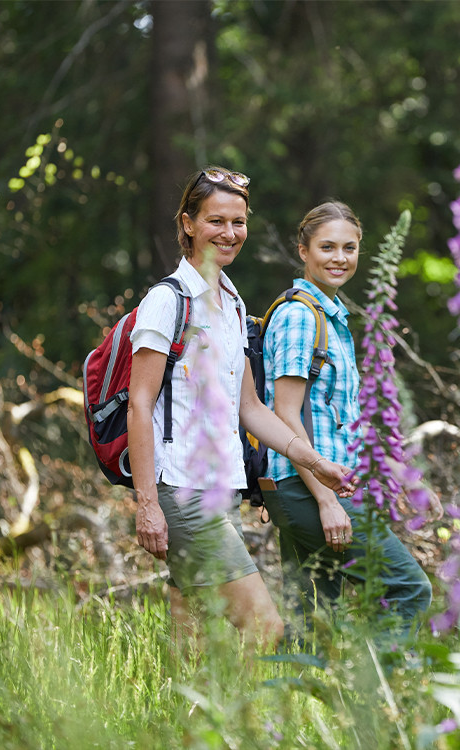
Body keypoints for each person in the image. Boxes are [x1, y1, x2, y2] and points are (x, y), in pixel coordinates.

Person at [127, 168, 353, 649]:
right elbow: (139, 403)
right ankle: (257, 726)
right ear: (188, 224)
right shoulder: (167, 301)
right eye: (215, 221)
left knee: (190, 636)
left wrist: (312, 461)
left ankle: (176, 722)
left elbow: (249, 407)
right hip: (182, 491)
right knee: (266, 628)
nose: (229, 234)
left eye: (239, 221)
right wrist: (147, 504)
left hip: (220, 489)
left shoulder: (231, 302)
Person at [260, 201, 440, 640]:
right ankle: (385, 700)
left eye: (349, 248)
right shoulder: (301, 316)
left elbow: (347, 424)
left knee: (316, 618)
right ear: (303, 251)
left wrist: (404, 476)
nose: (339, 258)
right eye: (327, 247)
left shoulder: (331, 319)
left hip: (311, 485)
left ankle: (295, 702)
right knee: (408, 589)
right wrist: (326, 501)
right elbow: (284, 415)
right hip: (306, 487)